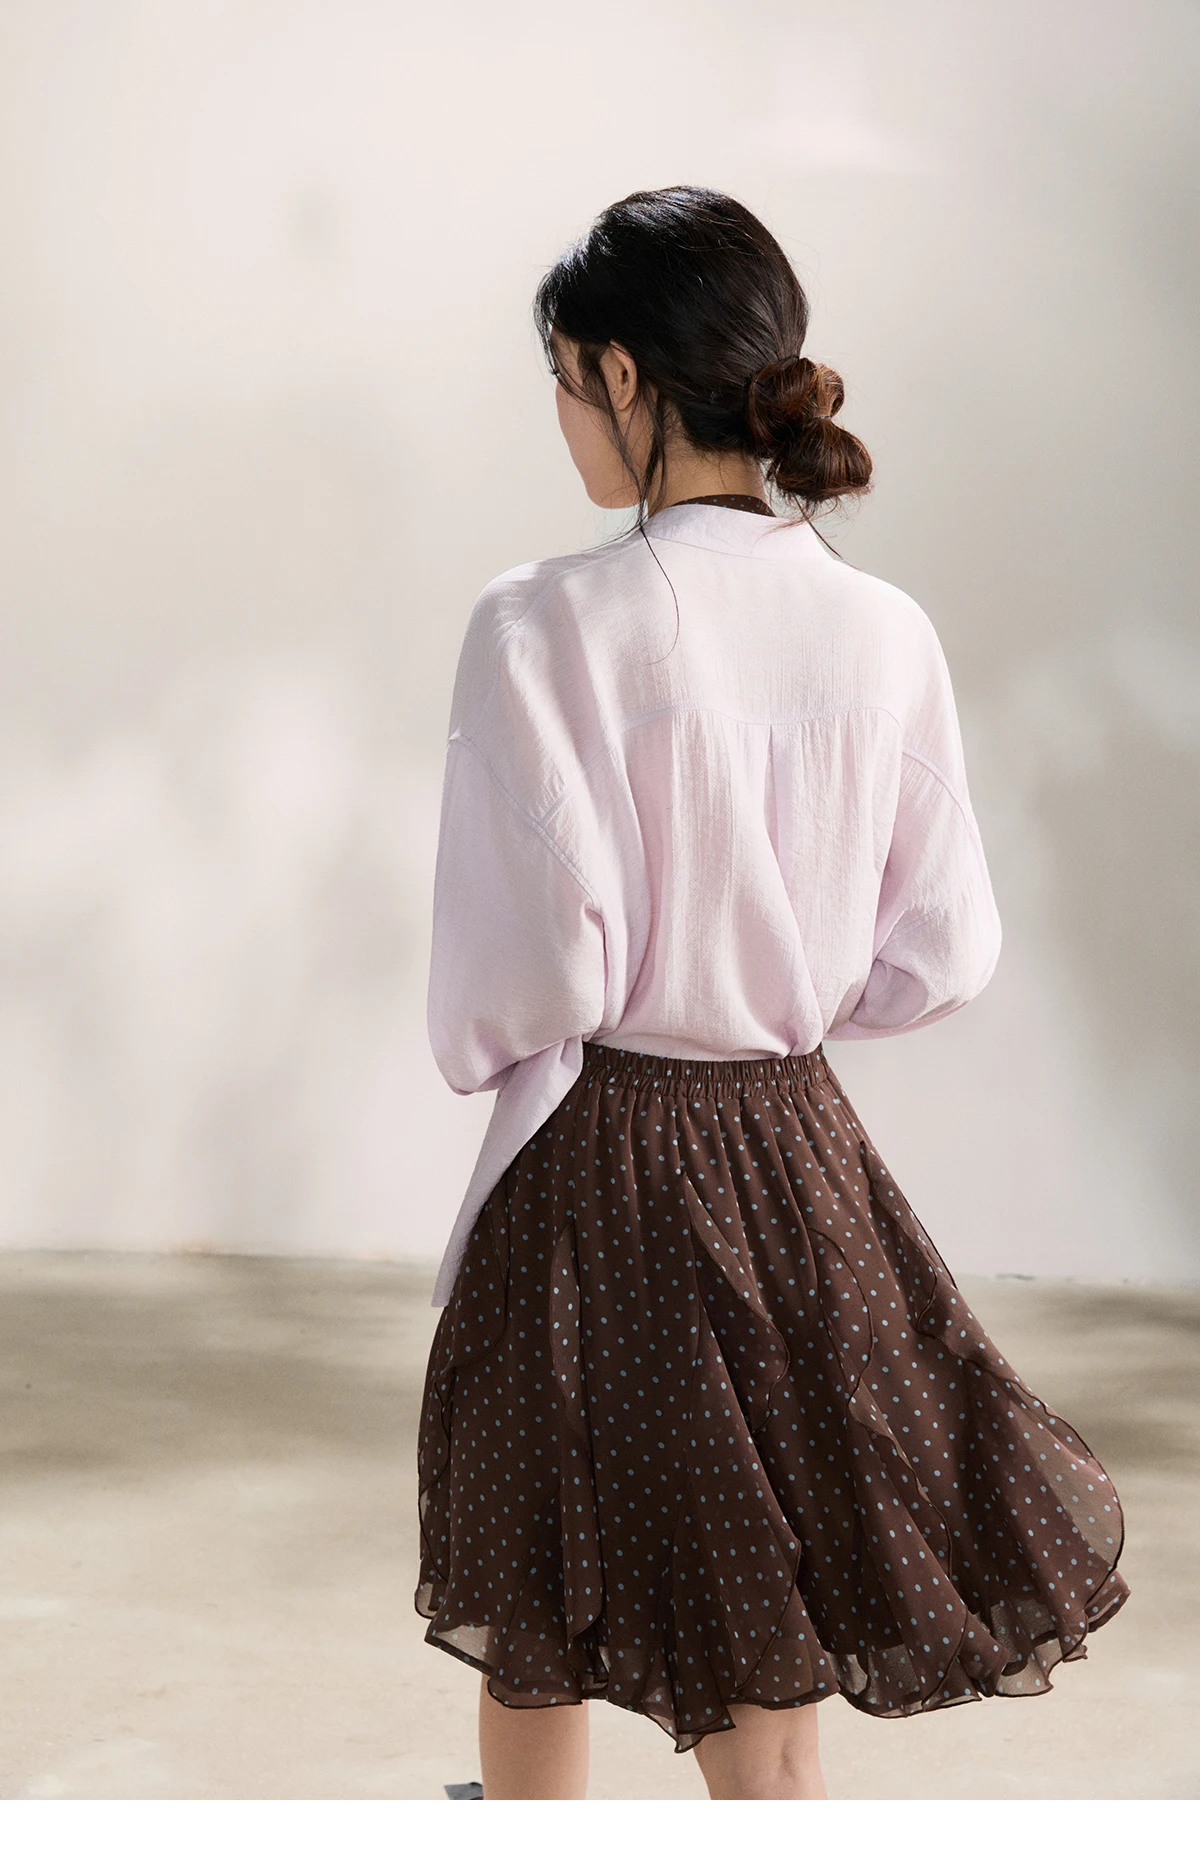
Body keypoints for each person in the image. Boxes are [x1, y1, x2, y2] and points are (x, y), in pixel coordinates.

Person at [413, 184, 1129, 1801]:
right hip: (802, 1163)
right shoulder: (886, 631)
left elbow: (533, 971)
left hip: (595, 1162)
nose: (559, 413)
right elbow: (947, 948)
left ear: (620, 375)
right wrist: (784, 997)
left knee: (540, 1615)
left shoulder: (540, 624)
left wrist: (539, 1031)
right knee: (774, 1694)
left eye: (562, 376)